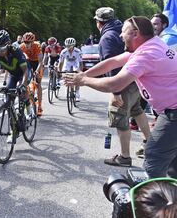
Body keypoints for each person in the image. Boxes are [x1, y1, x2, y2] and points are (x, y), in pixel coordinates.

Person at [64, 16, 177, 178]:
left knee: (153, 157)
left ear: (135, 33)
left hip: (173, 114)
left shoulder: (146, 55)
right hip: (171, 111)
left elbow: (115, 84)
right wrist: (85, 74)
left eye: (124, 31)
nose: (120, 35)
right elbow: (113, 61)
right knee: (172, 162)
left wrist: (84, 81)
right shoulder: (153, 44)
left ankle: (157, 200)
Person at [94, 7, 150, 167]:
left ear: (99, 23)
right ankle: (149, 143)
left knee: (119, 117)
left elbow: (110, 65)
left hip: (123, 82)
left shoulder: (107, 37)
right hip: (136, 79)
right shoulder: (124, 29)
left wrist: (115, 91)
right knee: (137, 110)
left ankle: (125, 157)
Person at [0, 29, 30, 111]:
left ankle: (29, 110)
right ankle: (13, 120)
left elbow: (25, 71)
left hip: (24, 73)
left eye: (1, 48)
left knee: (22, 92)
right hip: (13, 75)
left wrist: (23, 85)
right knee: (9, 98)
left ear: (8, 45)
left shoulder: (16, 51)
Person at [20, 32, 44, 116]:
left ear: (32, 42)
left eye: (28, 42)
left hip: (37, 62)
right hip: (28, 62)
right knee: (25, 81)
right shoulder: (21, 47)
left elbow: (41, 62)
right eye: (25, 42)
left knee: (38, 84)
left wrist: (37, 71)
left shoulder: (37, 46)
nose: (26, 44)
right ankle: (29, 96)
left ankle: (40, 106)